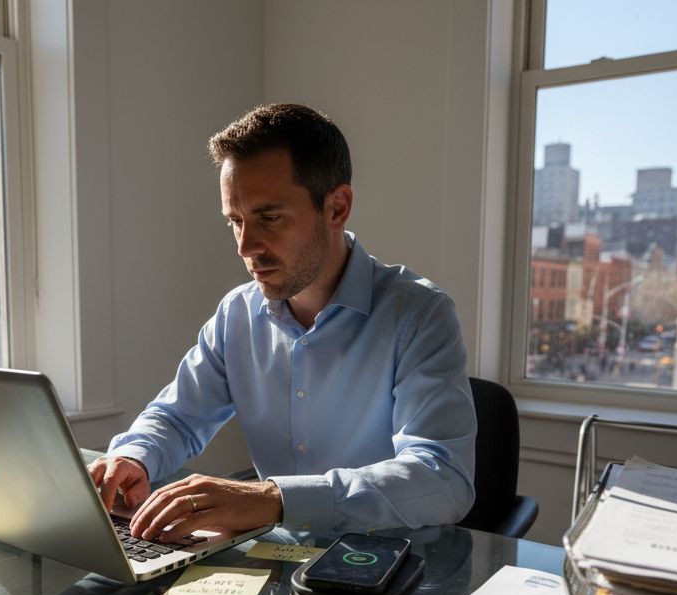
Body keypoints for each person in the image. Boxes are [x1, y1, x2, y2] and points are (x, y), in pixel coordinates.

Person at [90, 103, 475, 543]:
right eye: (235, 221)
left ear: (337, 207)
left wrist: (275, 499)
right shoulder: (237, 314)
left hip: (384, 569)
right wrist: (134, 458)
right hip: (272, 569)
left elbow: (443, 478)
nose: (245, 247)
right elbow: (177, 419)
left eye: (268, 218)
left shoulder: (420, 314)